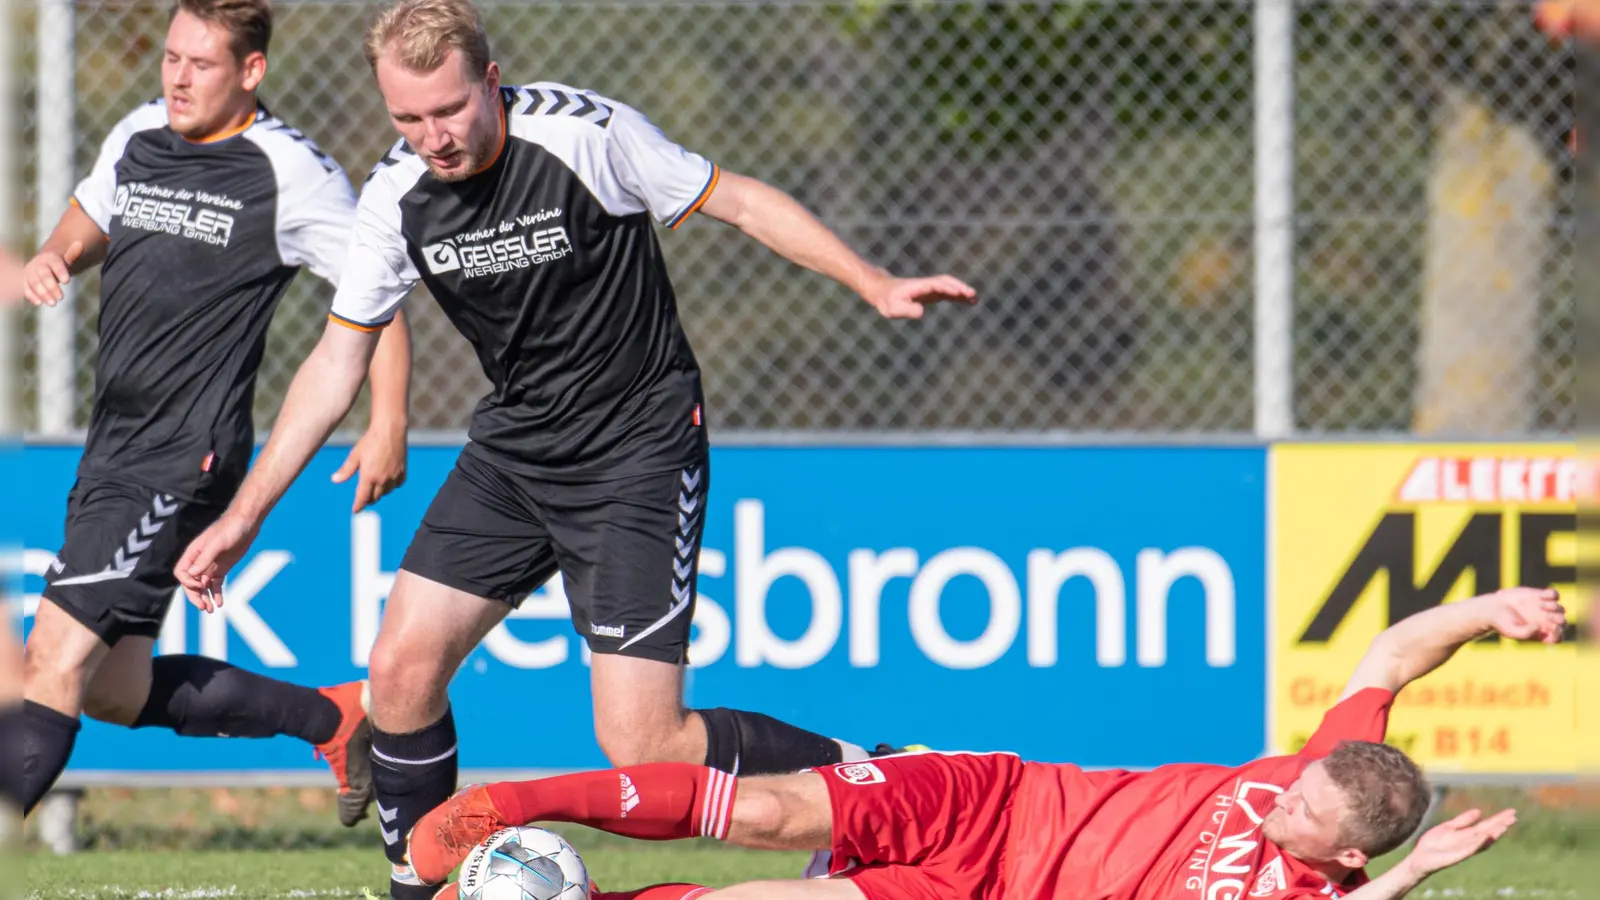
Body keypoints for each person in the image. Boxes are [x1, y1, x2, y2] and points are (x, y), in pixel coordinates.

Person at [172, 0, 974, 895]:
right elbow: (336, 359)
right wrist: (246, 516)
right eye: (407, 117)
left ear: (489, 80)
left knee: (644, 744)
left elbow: (737, 199)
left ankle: (887, 776)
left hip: (638, 449)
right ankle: (421, 887)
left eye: (448, 111)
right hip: (518, 450)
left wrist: (872, 280)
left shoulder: (588, 136)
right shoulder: (398, 195)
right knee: (398, 674)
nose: (432, 136)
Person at [411, 585, 1567, 900]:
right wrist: (1487, 610)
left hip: (973, 896)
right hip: (994, 799)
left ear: (1346, 859)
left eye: (1305, 821)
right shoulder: (1311, 770)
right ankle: (510, 809)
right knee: (762, 807)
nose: (1281, 805)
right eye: (1296, 786)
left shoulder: (1317, 895)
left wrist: (1415, 872)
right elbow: (1386, 660)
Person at [11, 0, 413, 826]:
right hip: (112, 444)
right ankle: (332, 719)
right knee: (114, 693)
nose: (178, 77)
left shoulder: (288, 170)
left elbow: (380, 296)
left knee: (44, 666)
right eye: (170, 58)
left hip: (181, 452)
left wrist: (390, 419)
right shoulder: (139, 132)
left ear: (251, 71)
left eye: (200, 64)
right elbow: (91, 215)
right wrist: (57, 253)